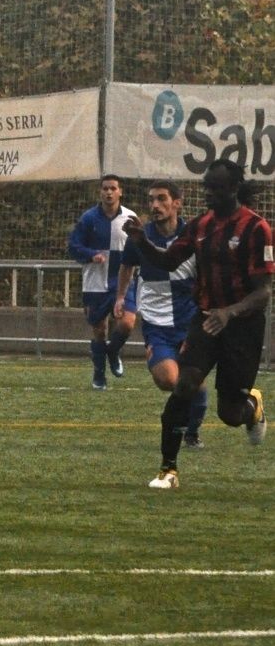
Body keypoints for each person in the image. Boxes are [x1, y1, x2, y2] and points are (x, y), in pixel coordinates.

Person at [123, 159, 271, 489]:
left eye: (215, 189)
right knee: (184, 384)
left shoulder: (257, 228)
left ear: (232, 189)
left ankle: (253, 405)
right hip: (205, 320)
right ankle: (168, 471)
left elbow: (263, 293)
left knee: (230, 415)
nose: (208, 195)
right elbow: (167, 260)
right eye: (206, 187)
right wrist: (141, 241)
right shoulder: (201, 225)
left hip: (242, 326)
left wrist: (229, 312)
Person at [114, 180, 207, 448]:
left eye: (162, 199)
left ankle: (192, 432)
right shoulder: (139, 236)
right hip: (156, 323)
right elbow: (126, 267)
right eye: (152, 199)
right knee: (168, 379)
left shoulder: (192, 236)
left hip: (189, 320)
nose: (155, 205)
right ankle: (183, 418)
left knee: (194, 379)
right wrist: (121, 296)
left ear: (177, 203)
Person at [67, 174, 138, 390]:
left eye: (113, 188)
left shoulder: (131, 218)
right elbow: (73, 246)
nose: (109, 192)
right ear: (100, 191)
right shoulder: (88, 218)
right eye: (105, 188)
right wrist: (91, 254)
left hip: (123, 282)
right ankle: (99, 375)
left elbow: (141, 244)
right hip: (95, 283)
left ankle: (113, 352)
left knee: (127, 323)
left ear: (120, 192)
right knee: (99, 330)